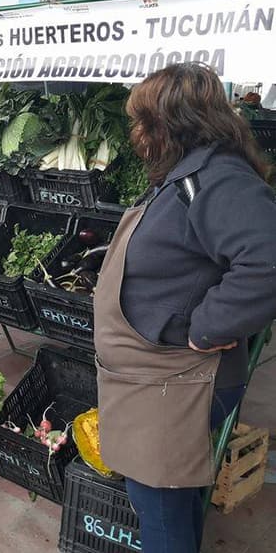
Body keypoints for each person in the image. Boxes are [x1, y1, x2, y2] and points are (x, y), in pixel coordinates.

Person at [94, 62, 276, 553]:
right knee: (166, 501)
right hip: (151, 379)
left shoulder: (218, 179)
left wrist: (206, 328)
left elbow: (267, 261)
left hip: (179, 380)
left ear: (172, 124)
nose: (136, 134)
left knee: (161, 506)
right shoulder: (187, 172)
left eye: (143, 123)